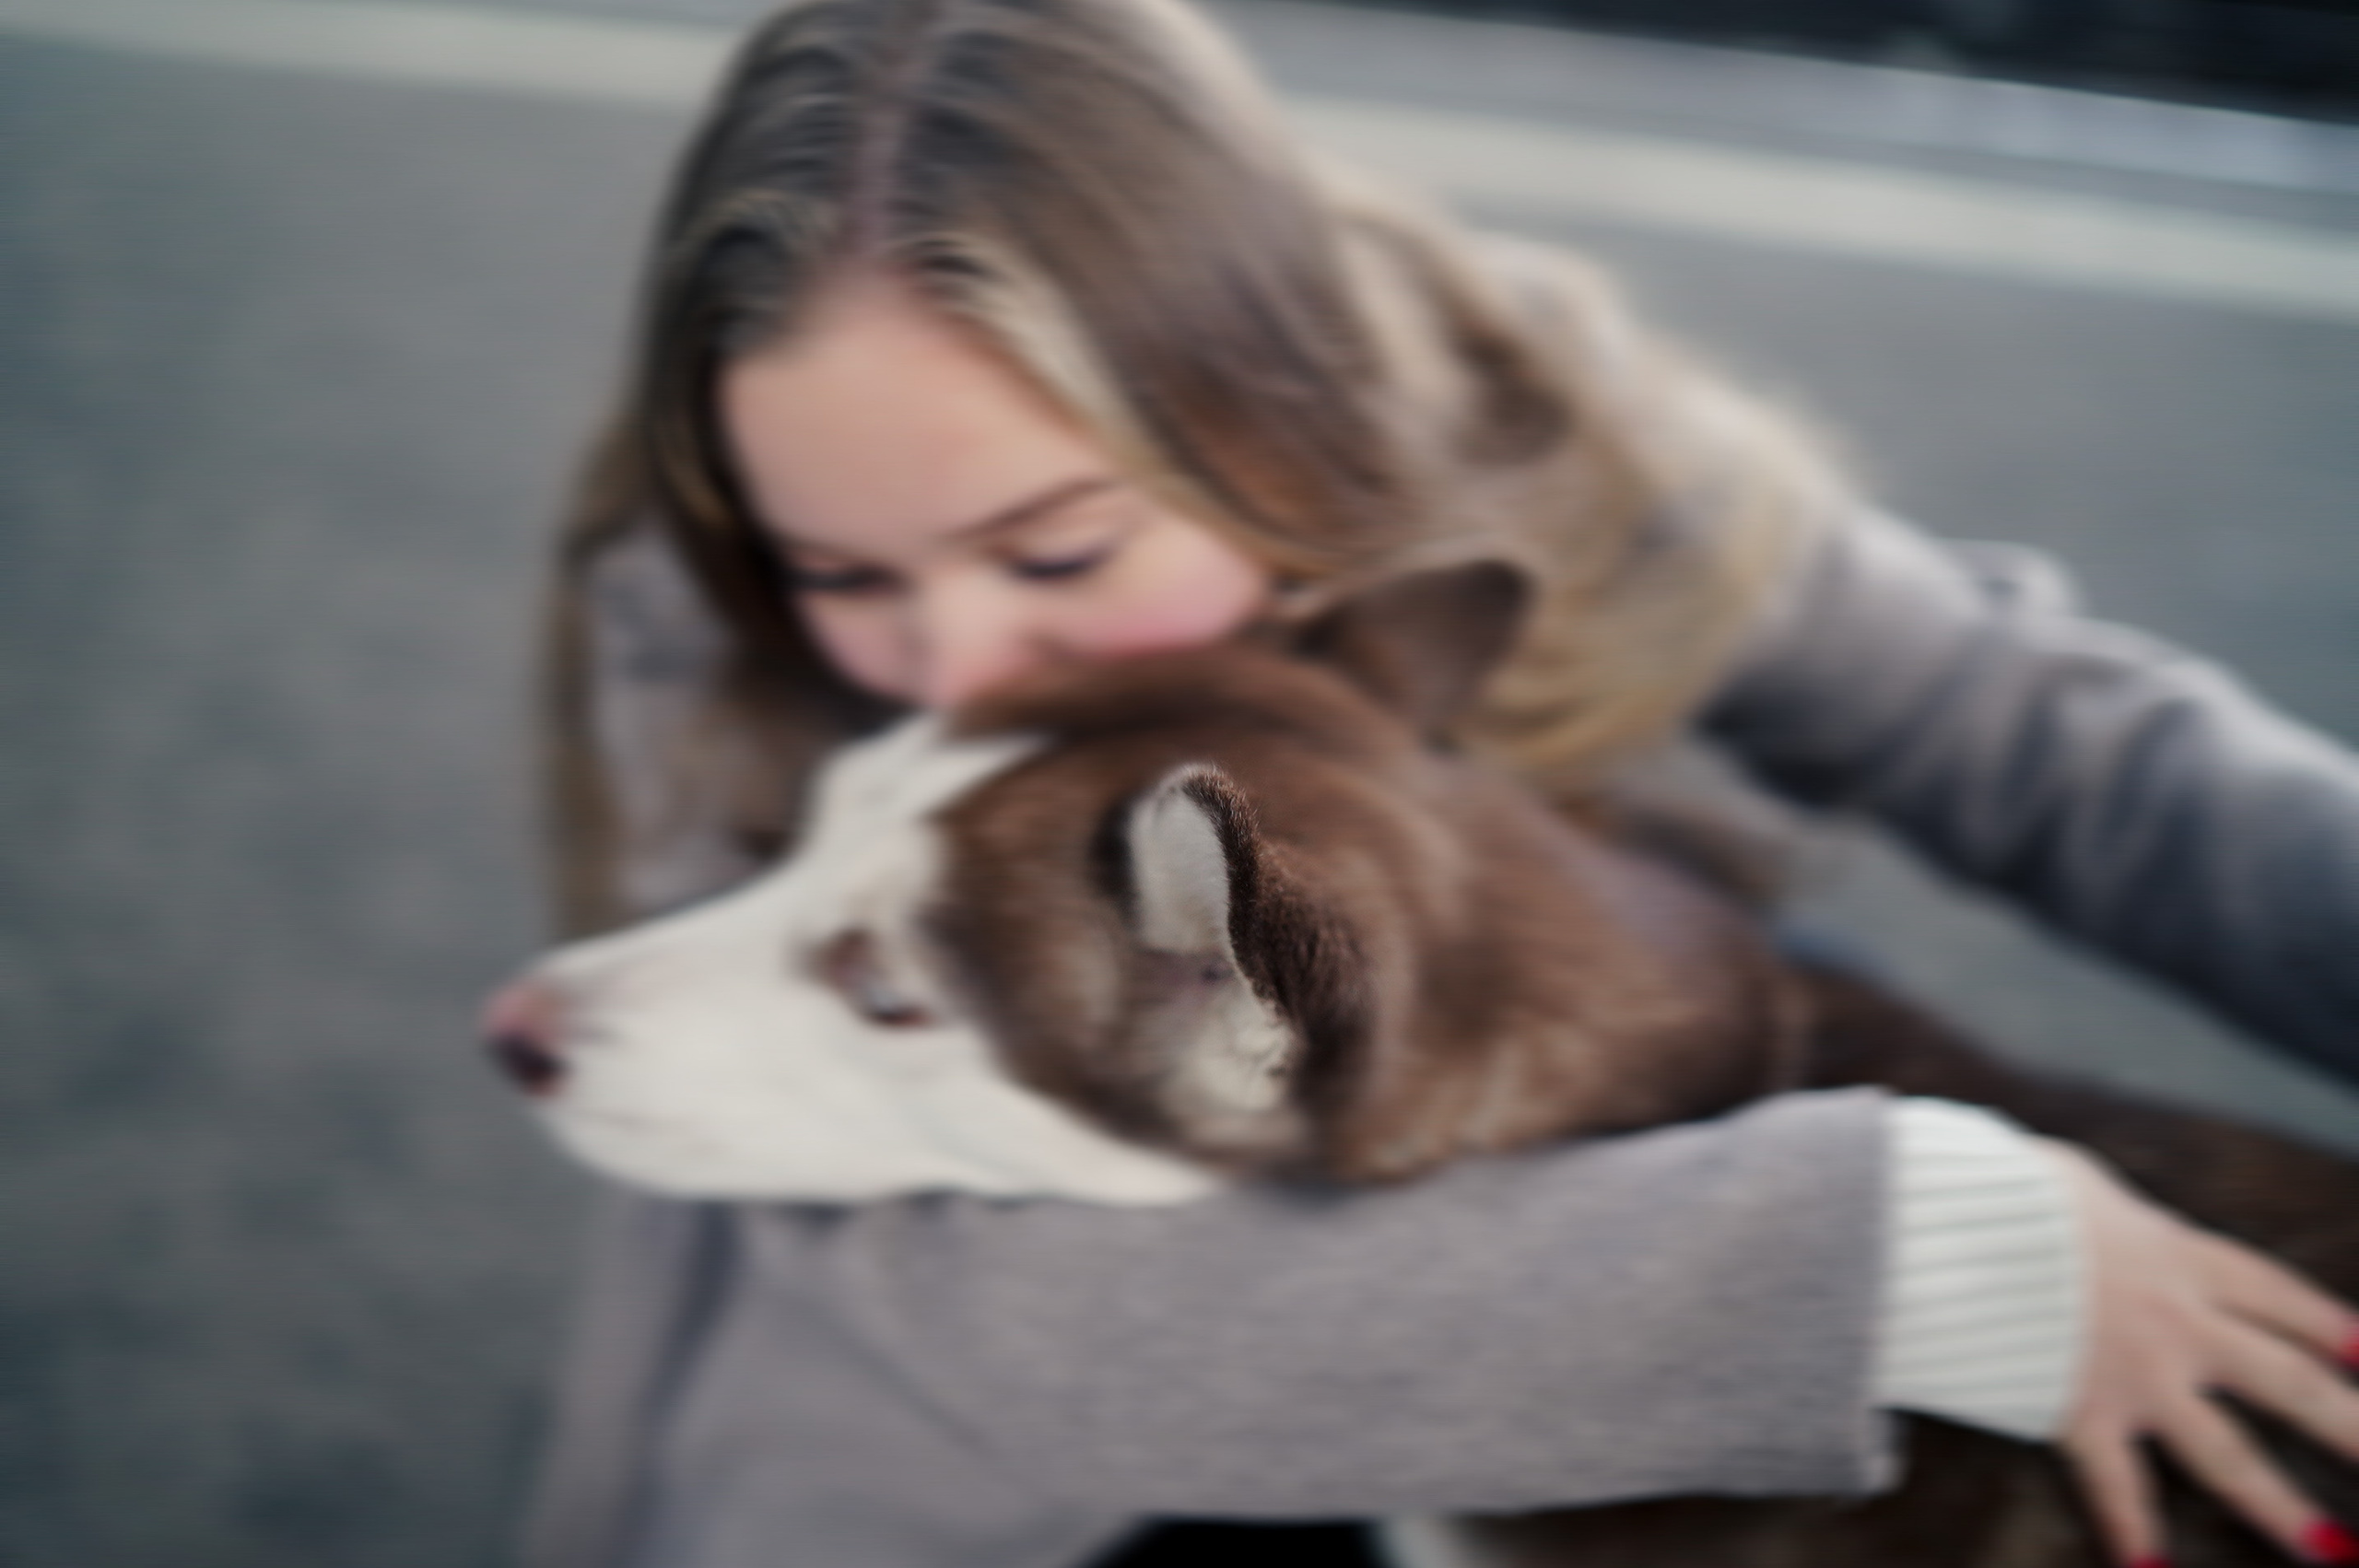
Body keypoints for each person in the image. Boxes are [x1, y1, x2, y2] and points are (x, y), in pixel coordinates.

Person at [501, 0, 2359, 1564]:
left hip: (1438, 1132)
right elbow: (996, 1313)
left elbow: (2050, 747)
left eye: (1057, 554)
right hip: (982, 1388)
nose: (960, 678)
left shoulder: (1520, 417)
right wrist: (1865, 1253)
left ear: (1282, 428)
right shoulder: (695, 600)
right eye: (841, 574)